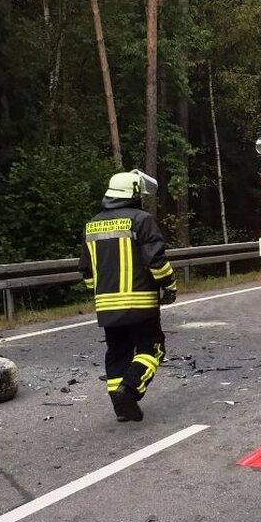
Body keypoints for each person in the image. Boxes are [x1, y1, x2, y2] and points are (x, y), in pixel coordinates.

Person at [78, 170, 177, 423]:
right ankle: (129, 390)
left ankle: (121, 407)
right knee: (152, 348)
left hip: (107, 306)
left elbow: (87, 271)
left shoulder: (92, 225)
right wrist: (169, 285)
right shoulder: (141, 220)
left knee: (117, 353)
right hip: (140, 301)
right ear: (133, 193)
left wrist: (99, 292)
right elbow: (155, 260)